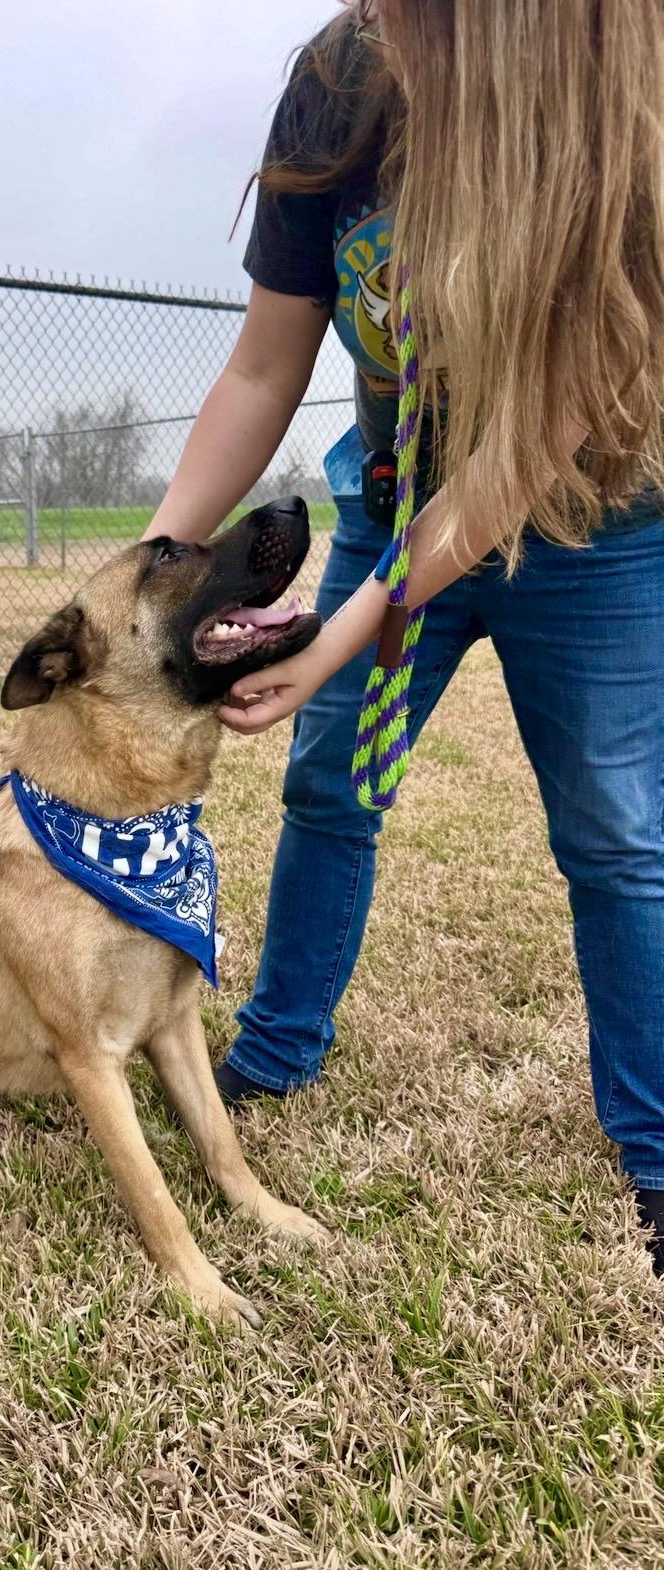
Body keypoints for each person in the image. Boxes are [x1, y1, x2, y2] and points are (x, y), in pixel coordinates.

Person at [144, 0, 664, 1271]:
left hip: (593, 514)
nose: (381, 24)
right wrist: (155, 569)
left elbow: (523, 454)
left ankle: (652, 1149)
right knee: (334, 780)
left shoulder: (625, 107)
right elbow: (266, 370)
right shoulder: (338, 81)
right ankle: (275, 1053)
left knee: (614, 828)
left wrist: (335, 634)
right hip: (397, 494)